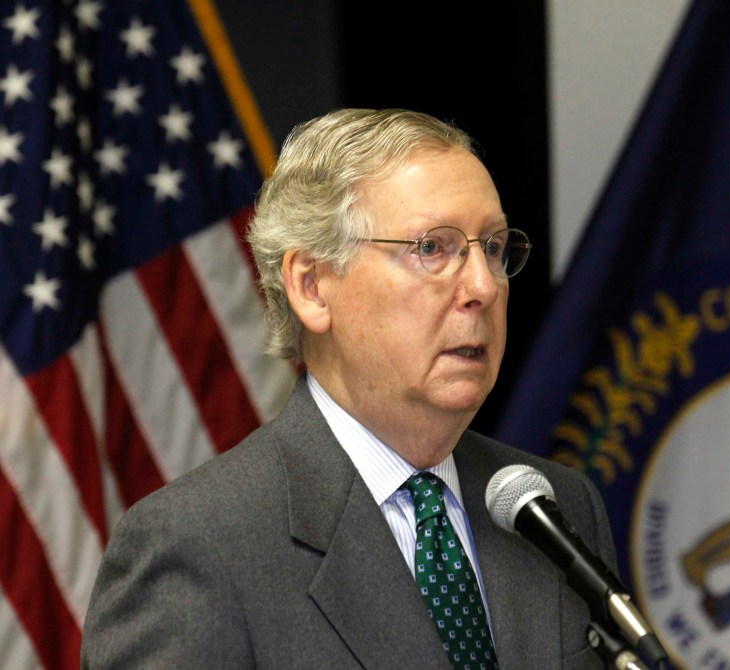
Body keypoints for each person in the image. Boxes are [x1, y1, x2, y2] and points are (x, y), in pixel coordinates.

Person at [81, 108, 618, 669]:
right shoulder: (197, 545)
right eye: (432, 248)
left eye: (493, 247)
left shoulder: (555, 509)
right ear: (312, 286)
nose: (483, 286)